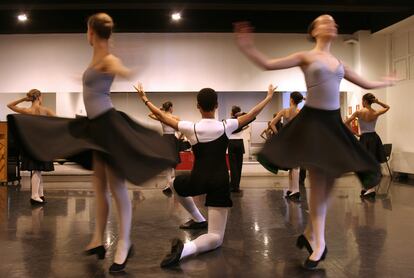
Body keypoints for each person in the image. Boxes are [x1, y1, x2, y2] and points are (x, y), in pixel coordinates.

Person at [7, 13, 176, 273]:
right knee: (99, 185)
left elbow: (122, 70)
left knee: (117, 186)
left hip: (108, 125)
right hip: (95, 126)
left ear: (91, 32)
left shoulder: (108, 58)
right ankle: (98, 239)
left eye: (86, 29)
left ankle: (125, 243)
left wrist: (132, 66)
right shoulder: (98, 57)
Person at [235, 14, 396, 269]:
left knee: (327, 183)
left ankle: (311, 233)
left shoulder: (340, 62)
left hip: (332, 124)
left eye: (333, 21)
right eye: (324, 21)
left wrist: (385, 81)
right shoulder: (307, 56)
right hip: (313, 123)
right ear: (313, 31)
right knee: (319, 183)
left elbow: (366, 82)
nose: (330, 23)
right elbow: (267, 63)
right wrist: (247, 46)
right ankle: (319, 243)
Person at [134, 82, 276, 267]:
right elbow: (252, 115)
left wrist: (144, 98)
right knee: (216, 237)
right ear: (216, 106)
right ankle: (186, 249)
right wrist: (269, 97)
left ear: (197, 106)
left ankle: (198, 218)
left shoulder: (190, 128)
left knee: (173, 184)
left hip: (197, 180)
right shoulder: (226, 126)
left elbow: (161, 116)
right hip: (220, 182)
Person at [7, 89, 55, 205]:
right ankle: (34, 196)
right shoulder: (46, 110)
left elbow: (10, 105)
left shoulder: (27, 110)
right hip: (41, 143)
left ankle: (40, 194)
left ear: (31, 98)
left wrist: (24, 99)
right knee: (37, 169)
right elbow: (57, 123)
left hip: (30, 143)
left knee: (37, 169)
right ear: (39, 97)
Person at [345, 93, 390, 199]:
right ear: (372, 101)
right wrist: (377, 102)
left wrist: (355, 133)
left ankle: (370, 189)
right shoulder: (376, 112)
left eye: (362, 100)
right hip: (374, 138)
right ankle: (368, 188)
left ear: (365, 101)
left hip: (364, 138)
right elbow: (388, 107)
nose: (362, 102)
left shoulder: (359, 112)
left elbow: (345, 123)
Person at [268, 91, 304, 201]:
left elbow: (272, 123)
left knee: (292, 166)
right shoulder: (299, 112)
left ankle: (294, 190)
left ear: (291, 100)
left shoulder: (285, 111)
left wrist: (279, 134)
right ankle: (293, 189)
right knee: (295, 166)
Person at [149, 101, 181, 196]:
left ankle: (170, 184)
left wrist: (160, 109)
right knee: (172, 163)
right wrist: (179, 137)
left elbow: (150, 114)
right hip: (172, 139)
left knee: (168, 164)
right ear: (171, 108)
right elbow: (181, 128)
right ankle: (170, 184)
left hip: (165, 139)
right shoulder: (176, 117)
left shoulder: (161, 116)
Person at [228, 106, 247, 193]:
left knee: (233, 166)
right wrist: (240, 114)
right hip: (239, 143)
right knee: (239, 166)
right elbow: (250, 116)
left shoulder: (230, 121)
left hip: (231, 143)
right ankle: (237, 186)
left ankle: (233, 186)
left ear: (232, 113)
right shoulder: (242, 121)